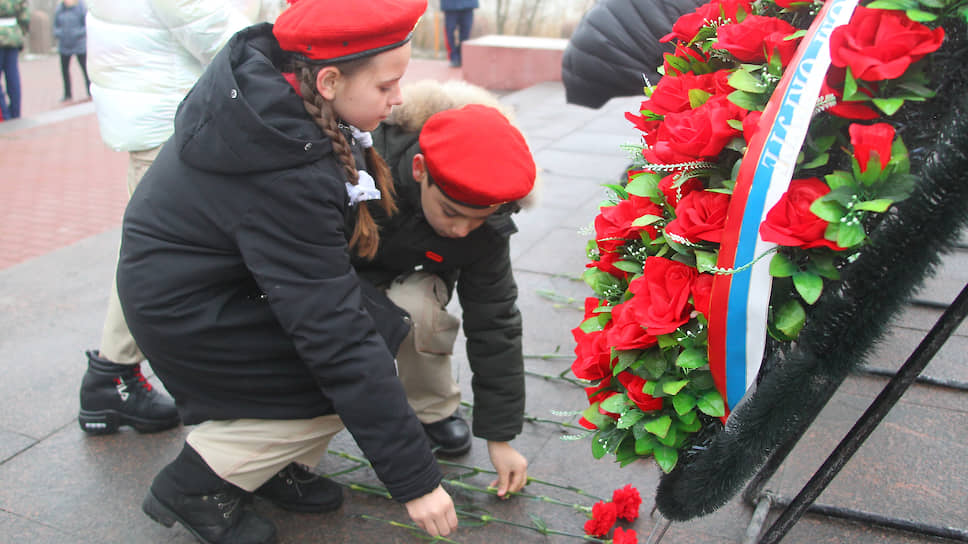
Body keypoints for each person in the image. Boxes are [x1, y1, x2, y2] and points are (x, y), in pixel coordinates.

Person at [115, 0, 462, 542]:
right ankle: (196, 485)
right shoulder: (285, 169)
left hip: (213, 286)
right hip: (190, 310)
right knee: (336, 381)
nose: (398, 101)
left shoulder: (278, 96)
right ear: (327, 81)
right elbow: (333, 337)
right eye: (387, 86)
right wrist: (416, 481)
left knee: (375, 332)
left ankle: (265, 464)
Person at [78, 0, 279, 436]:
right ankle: (111, 377)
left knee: (156, 252)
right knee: (160, 256)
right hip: (175, 116)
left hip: (174, 110)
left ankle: (111, 377)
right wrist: (281, 64)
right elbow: (208, 23)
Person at [360, 79, 535, 495]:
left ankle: (431, 410)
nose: (462, 230)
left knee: (416, 310)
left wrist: (501, 438)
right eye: (451, 212)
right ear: (420, 170)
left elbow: (495, 324)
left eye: (477, 219)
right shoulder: (370, 163)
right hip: (347, 269)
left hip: (417, 270)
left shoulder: (485, 227)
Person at [53, 0, 90, 102]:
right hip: (64, 45)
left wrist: (77, 33)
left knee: (85, 68)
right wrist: (60, 33)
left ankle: (90, 91)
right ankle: (67, 94)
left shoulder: (81, 7)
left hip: (79, 44)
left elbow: (86, 24)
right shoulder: (59, 9)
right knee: (65, 71)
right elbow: (55, 26)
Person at [0, 0, 28, 120]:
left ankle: (4, 114)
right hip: (13, 35)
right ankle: (15, 113)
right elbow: (25, 17)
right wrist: (20, 32)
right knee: (13, 76)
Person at [440, 0, 478, 68]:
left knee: (466, 32)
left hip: (468, 5)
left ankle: (462, 56)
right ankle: (454, 57)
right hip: (449, 5)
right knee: (450, 32)